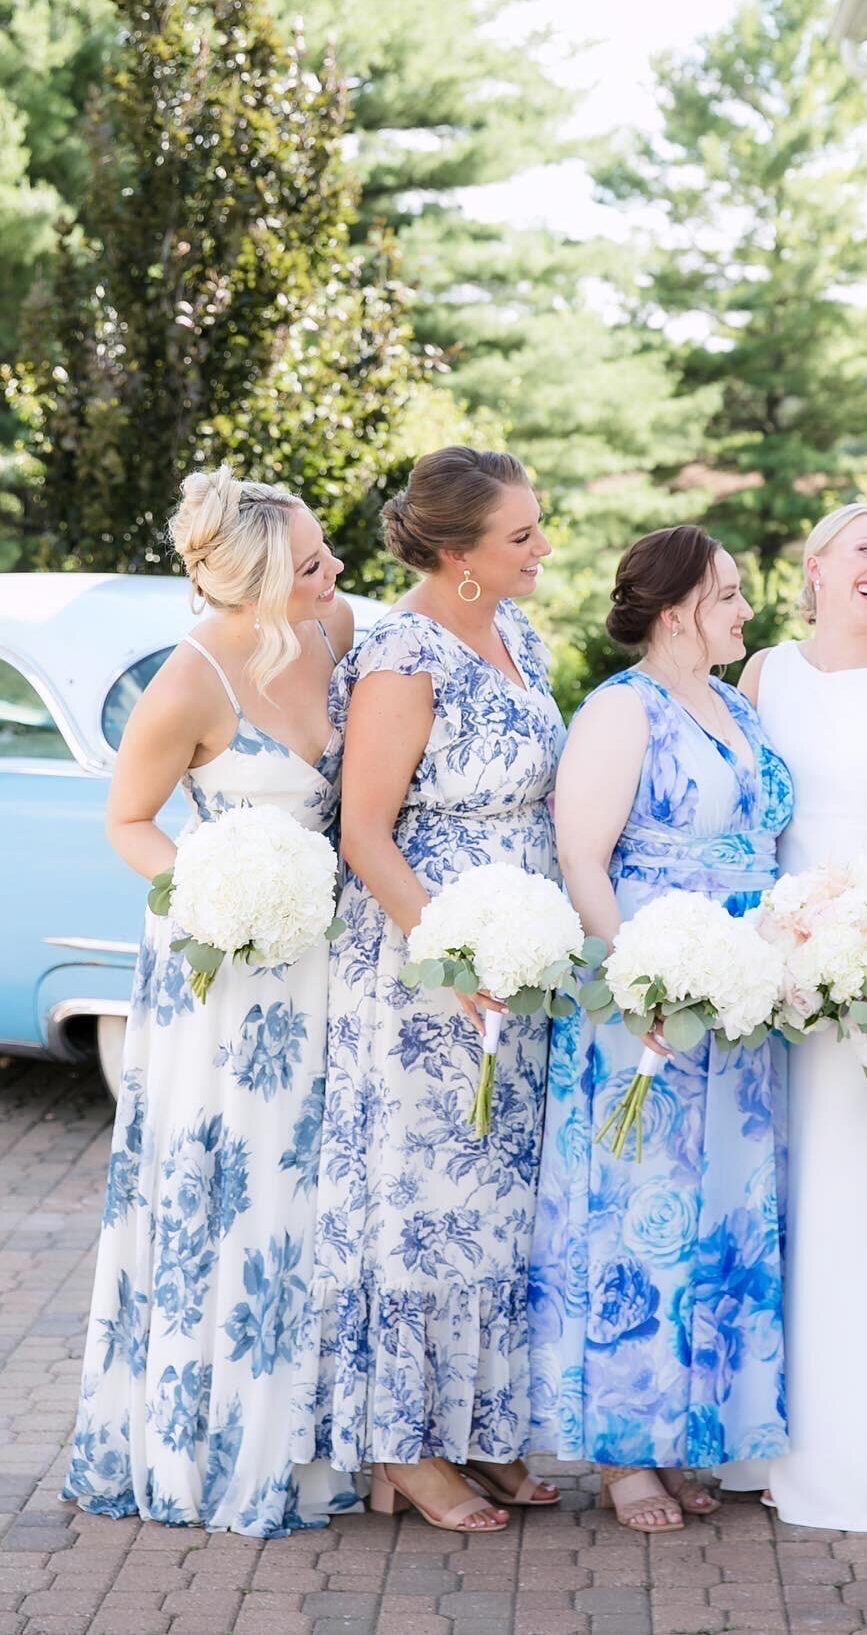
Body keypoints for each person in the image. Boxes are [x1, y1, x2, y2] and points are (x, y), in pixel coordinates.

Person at [63, 467, 357, 1537]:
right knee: (227, 1190)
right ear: (261, 580)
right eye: (316, 561)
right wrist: (210, 886)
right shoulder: (184, 685)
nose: (336, 572)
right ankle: (214, 1442)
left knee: (314, 1191)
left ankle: (315, 1437)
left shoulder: (336, 633)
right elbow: (131, 820)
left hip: (325, 960)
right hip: (221, 971)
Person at [292, 447, 562, 1532]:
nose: (543, 549)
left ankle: (473, 1424)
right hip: (425, 975)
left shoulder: (521, 636)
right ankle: (399, 1443)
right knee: (420, 1204)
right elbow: (366, 832)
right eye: (522, 536)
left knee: (496, 1203)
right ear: (459, 555)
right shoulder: (406, 652)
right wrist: (457, 959)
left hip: (518, 961)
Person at [527, 525, 794, 1532]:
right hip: (649, 998)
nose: (744, 608)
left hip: (738, 1000)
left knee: (715, 1215)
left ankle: (688, 1432)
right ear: (676, 608)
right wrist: (643, 977)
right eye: (728, 593)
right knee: (637, 1214)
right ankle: (623, 1452)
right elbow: (583, 855)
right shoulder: (619, 709)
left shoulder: (730, 702)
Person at [721, 504, 867, 1531]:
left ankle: (861, 1443)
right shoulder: (764, 673)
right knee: (777, 1193)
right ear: (814, 564)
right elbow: (743, 822)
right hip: (778, 978)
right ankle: (760, 1442)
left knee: (864, 1193)